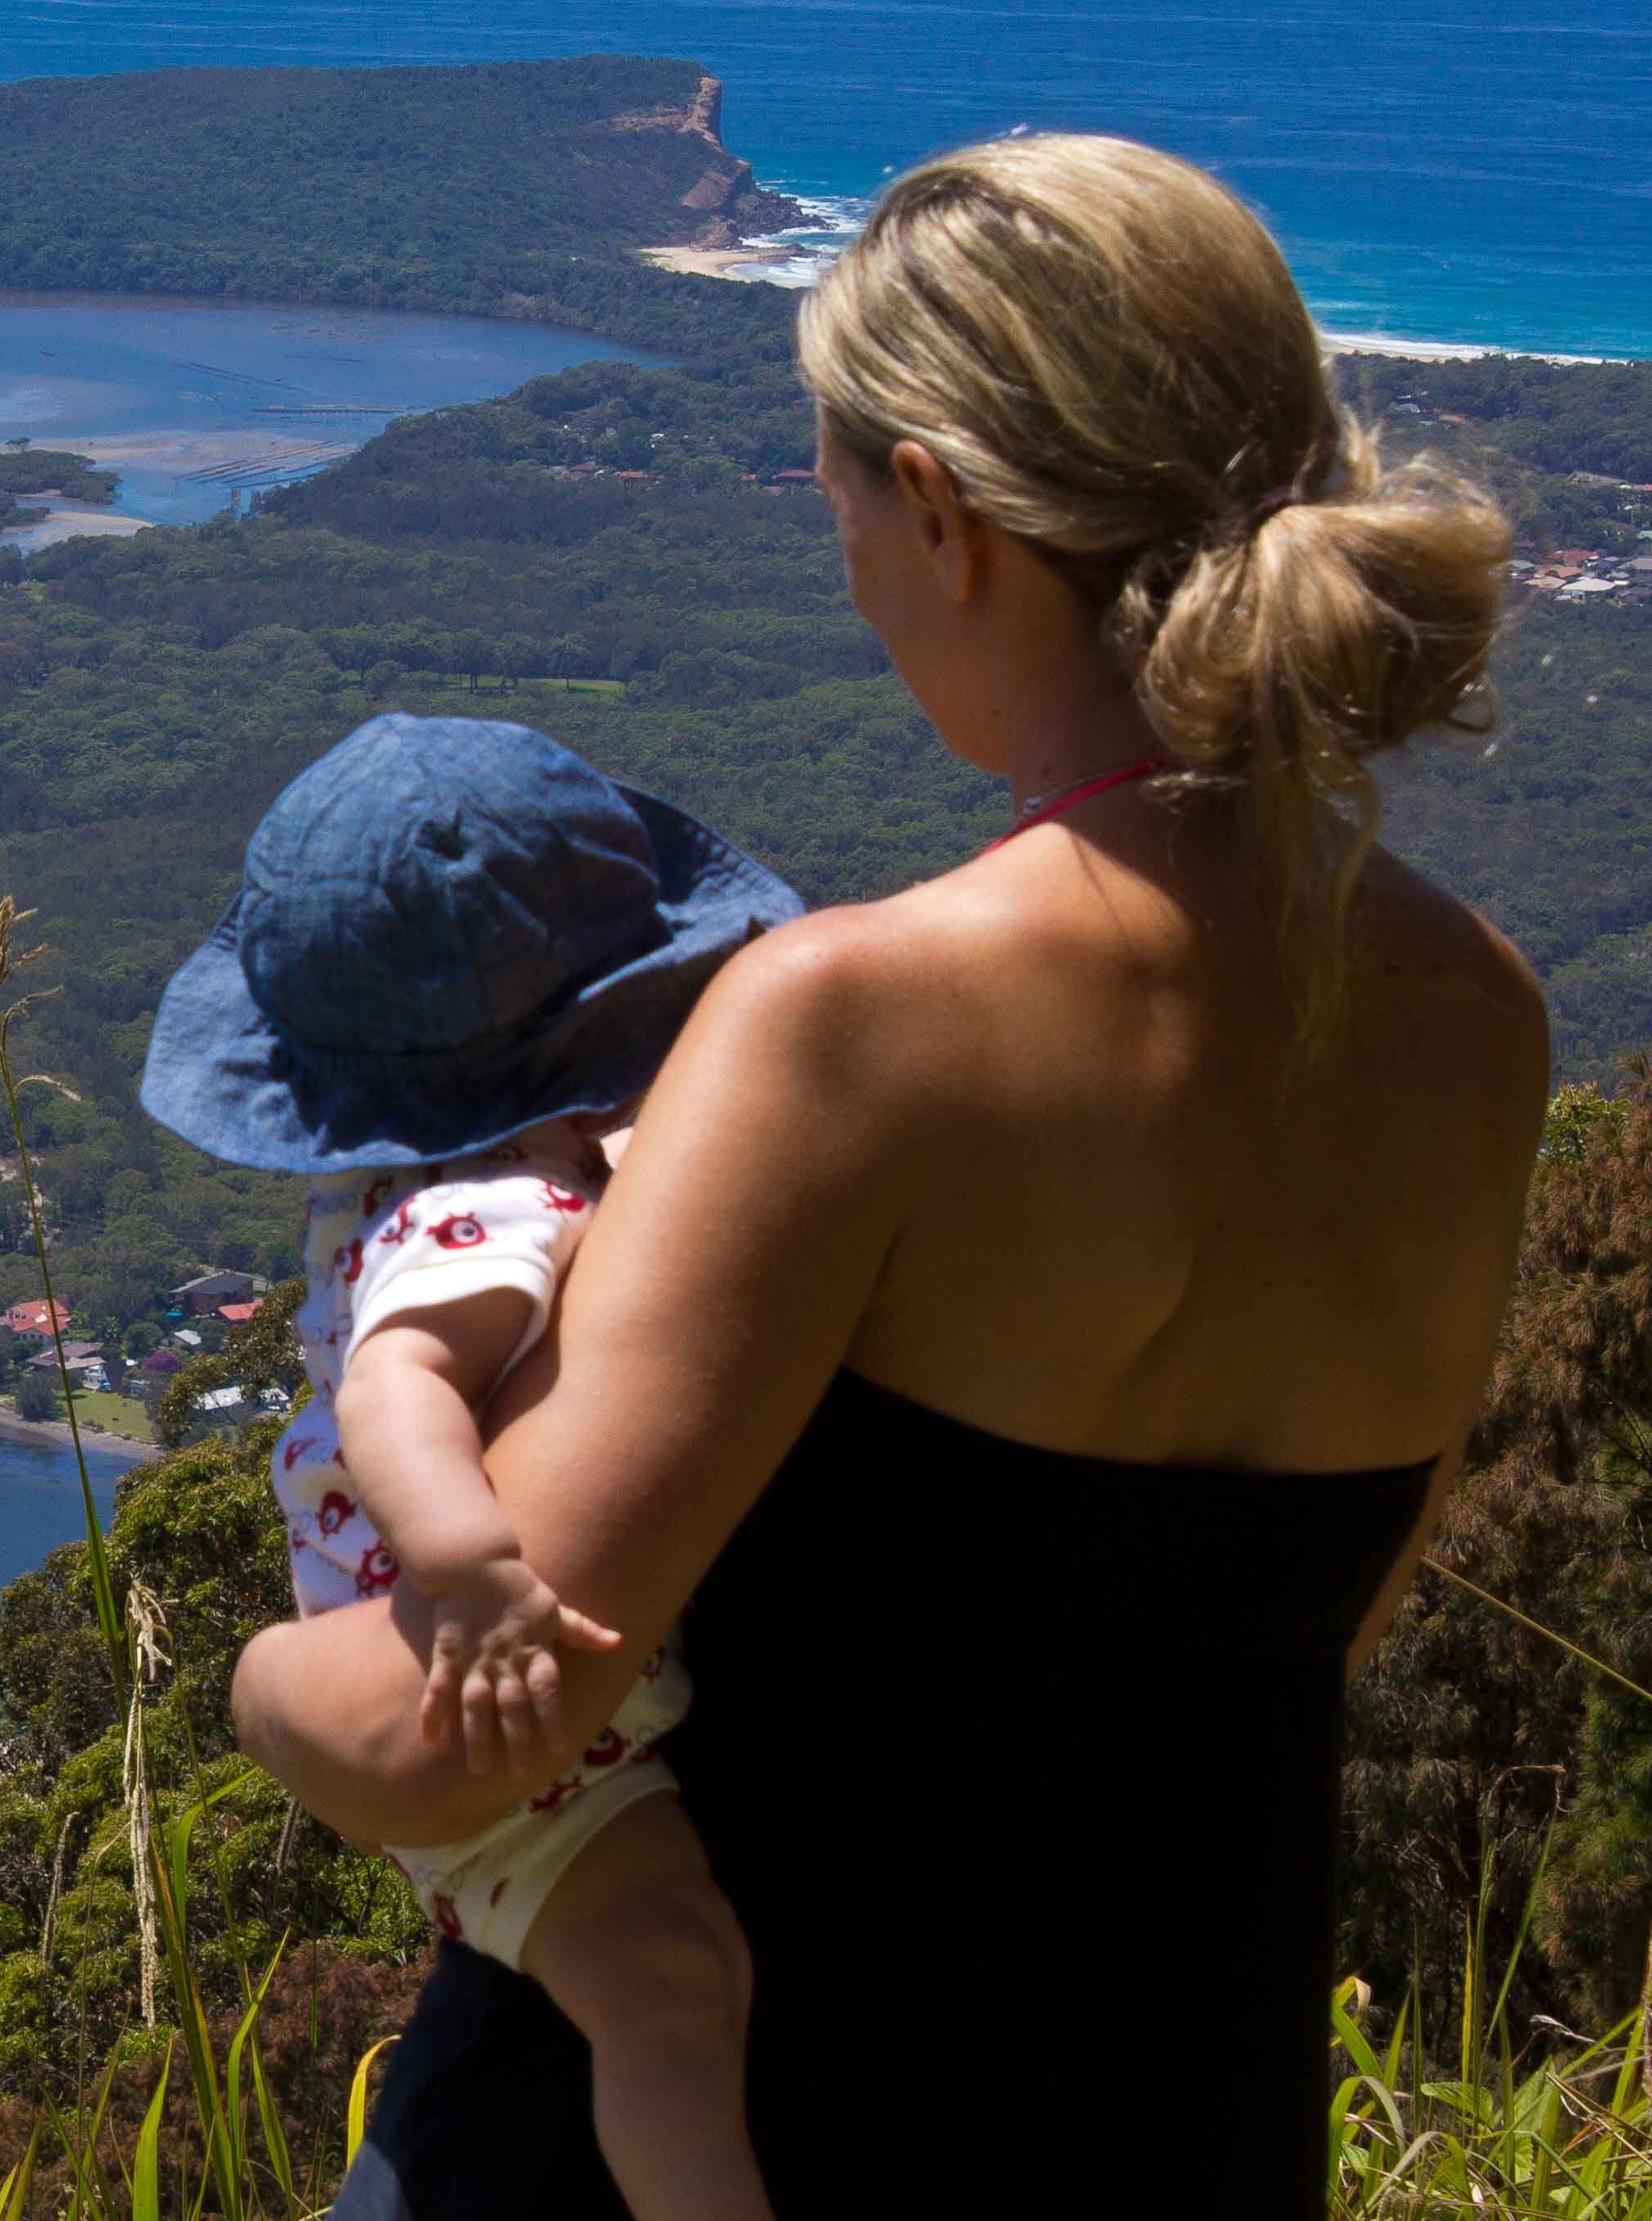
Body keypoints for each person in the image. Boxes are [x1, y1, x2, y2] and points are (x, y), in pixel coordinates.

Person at [225, 134, 1550, 2217]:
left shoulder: (856, 1024)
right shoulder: (1478, 1017)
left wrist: (260, 1682)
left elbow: (453, 1728)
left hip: (719, 2132)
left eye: (837, 493)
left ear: (936, 509)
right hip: (1173, 2122)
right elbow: (1328, 1620)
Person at [141, 712, 801, 2219]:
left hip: (546, 1736)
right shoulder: (485, 1207)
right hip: (522, 1735)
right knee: (668, 2003)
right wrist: (479, 1573)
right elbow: (395, 1386)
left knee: (680, 1985)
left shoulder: (468, 1176)